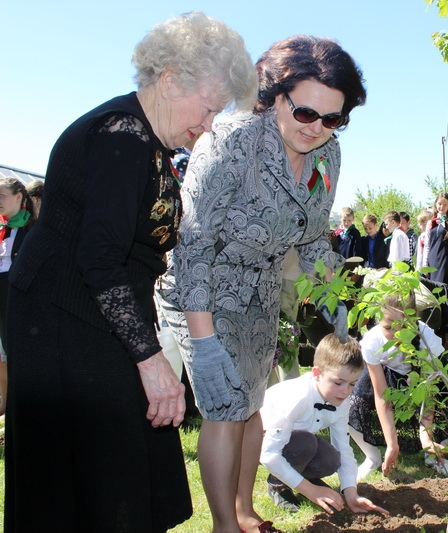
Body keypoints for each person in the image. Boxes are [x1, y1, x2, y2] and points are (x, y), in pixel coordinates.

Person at [3, 12, 256, 532]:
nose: (208, 124)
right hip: (62, 320)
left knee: (124, 469)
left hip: (100, 314)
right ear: (169, 80)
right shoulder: (122, 136)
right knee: (92, 476)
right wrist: (151, 359)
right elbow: (100, 258)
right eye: (208, 108)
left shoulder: (153, 143)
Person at [157, 34, 366, 533]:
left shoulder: (327, 156)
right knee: (225, 411)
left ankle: (246, 512)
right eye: (307, 113)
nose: (318, 129)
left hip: (261, 295)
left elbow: (314, 236)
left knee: (251, 406)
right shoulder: (230, 141)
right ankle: (224, 526)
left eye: (334, 118)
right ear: (275, 95)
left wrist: (336, 299)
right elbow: (194, 245)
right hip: (202, 293)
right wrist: (203, 343)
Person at [348, 292, 448, 480]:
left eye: (403, 326)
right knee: (349, 404)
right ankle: (372, 457)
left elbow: (428, 394)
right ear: (378, 320)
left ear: (414, 320)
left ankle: (433, 456)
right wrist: (392, 444)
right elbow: (382, 396)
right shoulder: (372, 342)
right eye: (388, 327)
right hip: (389, 379)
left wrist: (426, 438)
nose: (396, 334)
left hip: (422, 381)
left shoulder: (427, 339)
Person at [260, 334, 389, 516]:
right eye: (338, 383)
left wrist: (351, 492)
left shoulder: (341, 400)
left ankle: (301, 477)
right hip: (260, 441)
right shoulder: (297, 397)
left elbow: (343, 448)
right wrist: (311, 491)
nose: (345, 391)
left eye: (352, 384)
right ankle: (278, 484)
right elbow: (268, 454)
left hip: (296, 440)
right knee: (306, 443)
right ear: (317, 374)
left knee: (331, 459)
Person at [0, 178, 35, 417]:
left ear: (19, 197)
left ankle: (20, 406)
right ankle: (5, 404)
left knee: (15, 353)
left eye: (2, 196)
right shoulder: (2, 229)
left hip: (16, 299)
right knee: (1, 354)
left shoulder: (32, 230)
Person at [422, 192, 448, 290]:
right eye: (439, 204)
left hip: (445, 261)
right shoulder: (431, 222)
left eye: (445, 204)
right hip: (432, 261)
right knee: (432, 289)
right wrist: (425, 264)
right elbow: (427, 245)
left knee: (443, 289)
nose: (442, 207)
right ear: (435, 204)